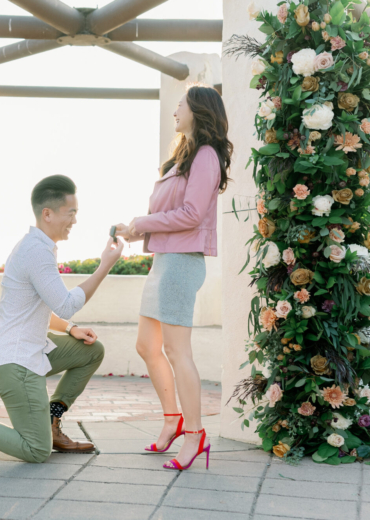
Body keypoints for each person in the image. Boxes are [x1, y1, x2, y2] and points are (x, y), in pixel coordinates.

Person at [0, 175, 124, 463]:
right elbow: (66, 304)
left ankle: (51, 423)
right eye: (71, 213)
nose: (75, 221)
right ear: (48, 214)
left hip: (28, 349)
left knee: (91, 351)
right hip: (14, 361)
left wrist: (71, 329)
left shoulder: (38, 247)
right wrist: (106, 265)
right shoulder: (36, 252)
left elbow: (42, 308)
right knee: (36, 450)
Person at [116, 85, 231, 471]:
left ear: (197, 110)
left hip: (182, 262)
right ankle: (173, 419)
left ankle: (196, 435)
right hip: (164, 260)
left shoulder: (206, 156)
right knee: (148, 346)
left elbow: (192, 214)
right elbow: (172, 212)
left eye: (179, 106)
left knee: (179, 351)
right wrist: (136, 229)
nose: (175, 113)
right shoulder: (184, 156)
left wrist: (140, 224)